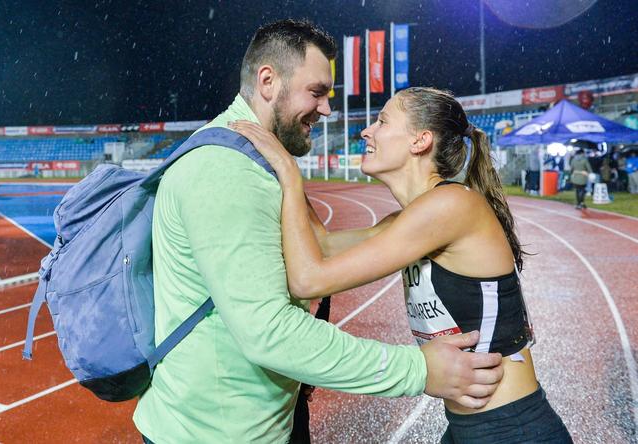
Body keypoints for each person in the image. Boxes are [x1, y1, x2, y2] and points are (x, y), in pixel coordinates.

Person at [133, 21, 503, 444]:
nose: (328, 109)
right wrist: (418, 369)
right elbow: (270, 332)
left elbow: (318, 250)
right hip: (218, 432)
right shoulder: (226, 170)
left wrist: (392, 229)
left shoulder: (255, 160)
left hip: (259, 422)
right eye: (317, 92)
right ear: (268, 81)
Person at [231, 86, 572, 443]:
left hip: (512, 429)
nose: (366, 131)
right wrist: (284, 155)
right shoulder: (411, 218)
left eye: (381, 122)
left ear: (420, 141)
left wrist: (287, 171)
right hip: (468, 428)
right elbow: (322, 245)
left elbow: (308, 280)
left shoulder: (451, 207)